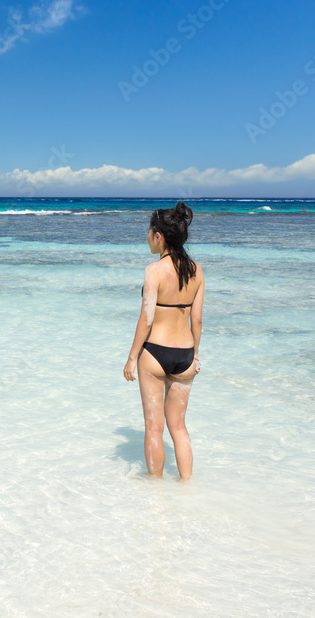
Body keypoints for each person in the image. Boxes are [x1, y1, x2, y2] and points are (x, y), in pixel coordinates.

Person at [123, 201, 204, 480]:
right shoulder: (196, 270)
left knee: (154, 427)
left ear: (159, 236)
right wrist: (195, 356)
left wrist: (132, 357)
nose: (147, 238)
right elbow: (198, 320)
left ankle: (155, 493)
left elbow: (146, 319)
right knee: (179, 428)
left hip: (155, 354)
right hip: (185, 356)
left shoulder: (153, 271)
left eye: (149, 232)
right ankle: (186, 489)